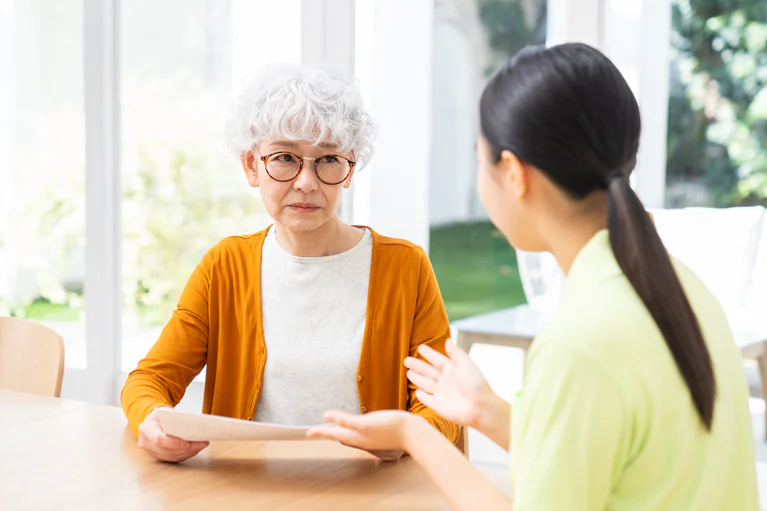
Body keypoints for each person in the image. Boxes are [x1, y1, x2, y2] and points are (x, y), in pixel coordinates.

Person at [308, 43, 759, 510]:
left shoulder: (580, 344)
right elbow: (621, 456)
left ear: (514, 174)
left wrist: (414, 433)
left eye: (479, 159)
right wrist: (488, 412)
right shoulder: (681, 287)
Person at [121, 64, 459, 463]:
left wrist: (408, 437)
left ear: (350, 168)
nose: (306, 182)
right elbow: (150, 380)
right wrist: (151, 421)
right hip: (247, 491)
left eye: (328, 159)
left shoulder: (406, 267)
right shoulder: (225, 266)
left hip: (370, 492)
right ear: (252, 165)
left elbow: (443, 402)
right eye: (285, 157)